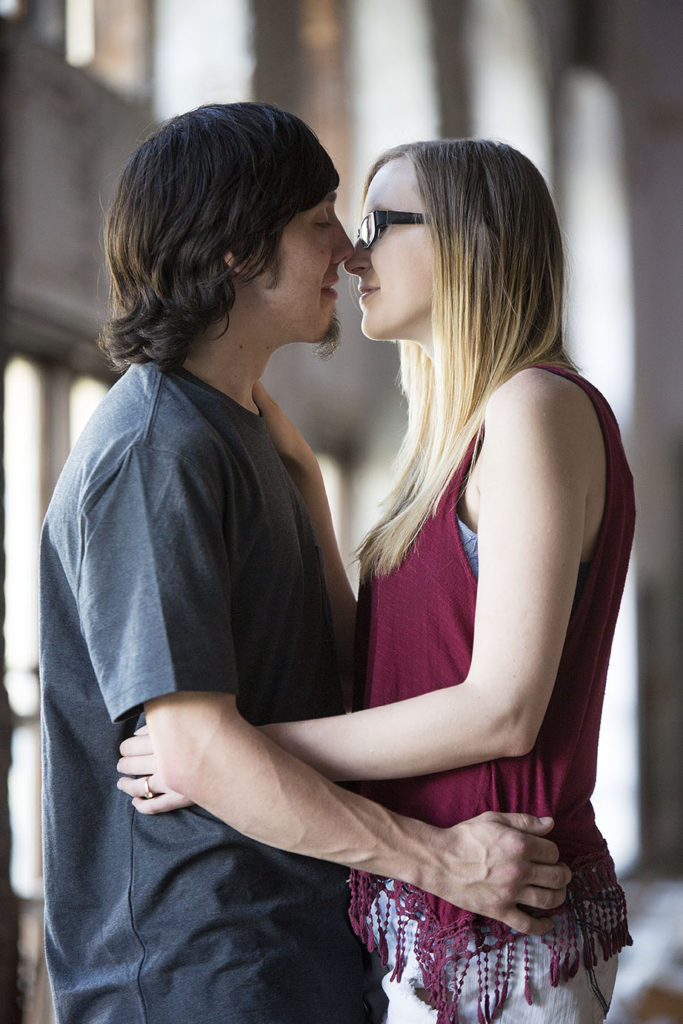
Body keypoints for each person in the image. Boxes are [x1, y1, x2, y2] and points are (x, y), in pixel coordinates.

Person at [40, 104, 570, 1024]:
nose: (348, 251)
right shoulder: (153, 451)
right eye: (320, 220)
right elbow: (197, 746)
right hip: (195, 971)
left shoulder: (240, 430)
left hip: (294, 949)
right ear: (239, 250)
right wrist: (441, 860)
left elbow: (329, 684)